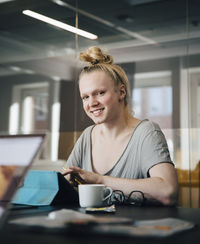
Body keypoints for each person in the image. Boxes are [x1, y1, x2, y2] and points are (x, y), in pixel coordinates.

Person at [63, 46, 178, 206]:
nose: (92, 103)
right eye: (85, 97)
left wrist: (100, 180)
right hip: (94, 227)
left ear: (121, 92)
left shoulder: (147, 132)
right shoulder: (87, 135)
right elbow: (64, 185)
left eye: (100, 93)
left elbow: (167, 191)